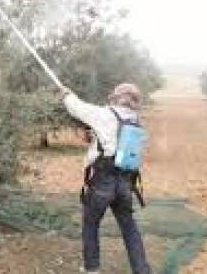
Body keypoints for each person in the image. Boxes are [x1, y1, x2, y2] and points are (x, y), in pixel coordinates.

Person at [60, 83, 150, 274]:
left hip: (102, 182)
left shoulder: (105, 114)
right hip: (125, 183)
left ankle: (92, 269)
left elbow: (77, 108)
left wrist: (67, 95)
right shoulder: (135, 120)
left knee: (91, 223)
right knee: (129, 228)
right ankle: (142, 270)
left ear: (116, 97)